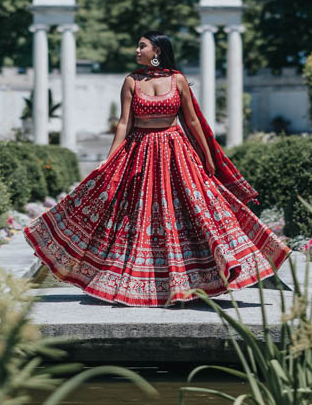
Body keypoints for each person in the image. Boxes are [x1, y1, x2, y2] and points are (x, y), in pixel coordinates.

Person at [23, 31, 290, 306]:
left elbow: (193, 121)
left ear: (157, 51)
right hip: (139, 151)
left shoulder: (178, 80)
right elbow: (124, 123)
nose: (136, 51)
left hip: (176, 152)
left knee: (193, 209)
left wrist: (207, 155)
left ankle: (193, 279)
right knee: (136, 214)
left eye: (142, 46)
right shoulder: (131, 81)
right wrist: (110, 158)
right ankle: (137, 281)